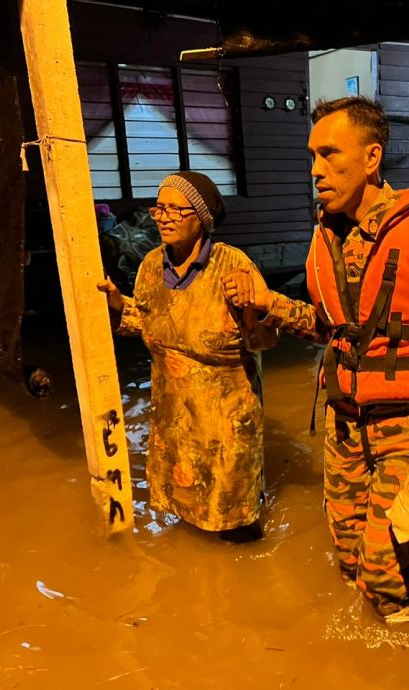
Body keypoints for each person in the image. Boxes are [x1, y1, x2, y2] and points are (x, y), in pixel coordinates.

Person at [222, 97, 409, 622]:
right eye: (312, 156)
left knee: (386, 565)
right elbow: (327, 328)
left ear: (372, 157)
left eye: (330, 154)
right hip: (344, 423)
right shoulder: (326, 234)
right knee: (349, 554)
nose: (316, 170)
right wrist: (270, 305)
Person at [98, 171, 278, 543]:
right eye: (158, 208)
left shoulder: (233, 266)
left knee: (234, 521)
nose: (163, 217)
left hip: (225, 425)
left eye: (175, 210)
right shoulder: (150, 265)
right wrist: (118, 306)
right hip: (174, 419)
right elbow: (149, 324)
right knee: (185, 515)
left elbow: (264, 340)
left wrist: (251, 310)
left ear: (201, 218)